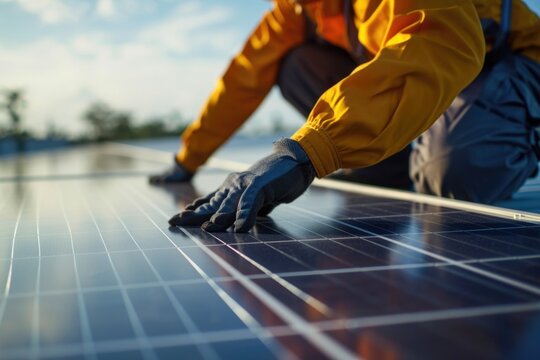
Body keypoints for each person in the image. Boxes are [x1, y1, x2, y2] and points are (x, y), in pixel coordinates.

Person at [151, 0, 540, 232]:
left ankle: (514, 131)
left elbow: (437, 40)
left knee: (451, 174)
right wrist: (188, 159)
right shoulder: (298, 9)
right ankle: (385, 156)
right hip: (430, 76)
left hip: (507, 63)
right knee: (293, 63)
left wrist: (306, 153)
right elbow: (242, 79)